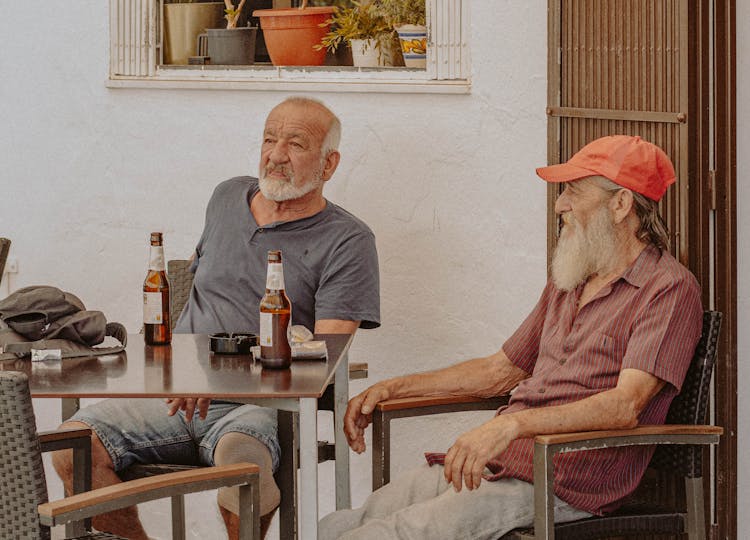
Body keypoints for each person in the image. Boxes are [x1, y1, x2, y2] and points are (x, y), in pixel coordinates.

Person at [319, 135, 702, 540]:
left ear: (621, 204)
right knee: (343, 524)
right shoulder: (572, 277)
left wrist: (510, 425)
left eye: (573, 192)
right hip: (503, 462)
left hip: (564, 477)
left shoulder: (667, 289)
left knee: (395, 534)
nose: (560, 205)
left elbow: (625, 407)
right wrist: (393, 387)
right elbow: (500, 370)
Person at [52, 97, 381, 540]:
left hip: (261, 408)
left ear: (329, 164)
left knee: (244, 461)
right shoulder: (228, 196)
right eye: (269, 138)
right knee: (75, 444)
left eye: (296, 144)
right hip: (174, 398)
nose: (277, 154)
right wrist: (183, 371)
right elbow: (201, 288)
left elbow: (324, 357)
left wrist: (217, 377)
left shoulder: (348, 240)